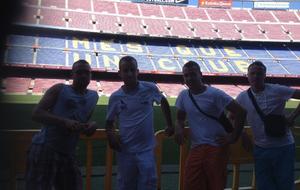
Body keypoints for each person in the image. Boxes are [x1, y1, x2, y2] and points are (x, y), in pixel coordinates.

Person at [25, 60, 99, 190]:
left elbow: (81, 124)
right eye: (79, 72)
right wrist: (64, 121)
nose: (83, 75)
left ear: (91, 75)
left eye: (87, 72)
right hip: (45, 148)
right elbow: (36, 113)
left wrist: (90, 126)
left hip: (68, 152)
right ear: (72, 75)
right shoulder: (59, 89)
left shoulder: (94, 96)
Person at [175, 61, 246, 190]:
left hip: (217, 147)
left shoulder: (215, 94)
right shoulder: (183, 96)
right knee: (191, 184)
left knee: (215, 185)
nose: (189, 78)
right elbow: (180, 118)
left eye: (193, 74)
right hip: (196, 147)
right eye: (186, 75)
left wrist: (233, 137)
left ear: (200, 74)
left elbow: (240, 112)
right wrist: (179, 130)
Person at [105, 55, 174, 190]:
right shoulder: (115, 97)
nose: (129, 73)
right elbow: (109, 122)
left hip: (146, 149)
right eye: (126, 70)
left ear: (138, 71)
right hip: (125, 150)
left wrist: (169, 124)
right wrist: (111, 135)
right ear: (120, 73)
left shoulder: (150, 88)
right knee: (126, 185)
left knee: (149, 183)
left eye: (132, 70)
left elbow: (163, 101)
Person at [235, 60, 300, 190]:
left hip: (283, 147)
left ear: (265, 75)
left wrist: (292, 116)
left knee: (285, 185)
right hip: (260, 148)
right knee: (265, 185)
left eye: (259, 73)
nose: (255, 76)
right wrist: (242, 134)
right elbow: (233, 117)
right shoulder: (242, 97)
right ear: (247, 75)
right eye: (252, 73)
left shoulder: (276, 90)